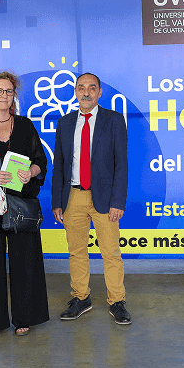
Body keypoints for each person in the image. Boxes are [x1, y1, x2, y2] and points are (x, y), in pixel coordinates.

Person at [0, 71, 49, 337]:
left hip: (21, 205)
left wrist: (32, 172)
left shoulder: (25, 125)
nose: (4, 96)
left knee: (26, 261)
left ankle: (26, 316)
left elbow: (41, 161)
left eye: (9, 91)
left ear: (14, 96)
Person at [51, 72, 131, 325]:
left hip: (105, 199)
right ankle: (81, 298)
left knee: (111, 253)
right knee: (76, 252)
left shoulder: (114, 120)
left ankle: (117, 301)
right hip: (72, 197)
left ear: (99, 92)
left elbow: (121, 164)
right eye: (81, 88)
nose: (86, 92)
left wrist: (118, 201)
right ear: (76, 91)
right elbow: (59, 164)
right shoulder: (64, 123)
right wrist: (57, 202)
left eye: (92, 88)